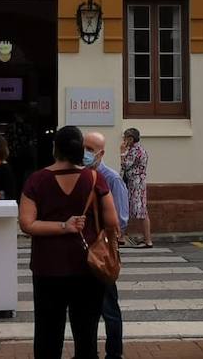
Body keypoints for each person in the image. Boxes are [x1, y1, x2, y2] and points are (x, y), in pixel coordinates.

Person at [20, 125, 120, 359]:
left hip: (47, 268)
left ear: (55, 148)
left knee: (47, 333)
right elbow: (112, 221)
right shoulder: (96, 178)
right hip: (87, 267)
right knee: (86, 334)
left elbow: (27, 224)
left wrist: (62, 226)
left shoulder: (37, 180)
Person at [85, 131, 128, 359]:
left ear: (101, 153)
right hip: (83, 251)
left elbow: (121, 218)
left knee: (109, 307)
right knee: (86, 310)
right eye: (83, 147)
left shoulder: (111, 178)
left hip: (102, 252)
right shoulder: (81, 175)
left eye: (90, 150)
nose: (85, 153)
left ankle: (114, 353)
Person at [119, 127, 152, 248]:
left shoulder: (135, 150)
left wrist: (122, 152)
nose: (123, 140)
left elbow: (125, 165)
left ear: (131, 139)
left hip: (136, 185)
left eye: (125, 137)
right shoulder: (134, 149)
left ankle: (148, 240)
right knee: (126, 207)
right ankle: (121, 236)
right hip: (132, 183)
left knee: (141, 211)